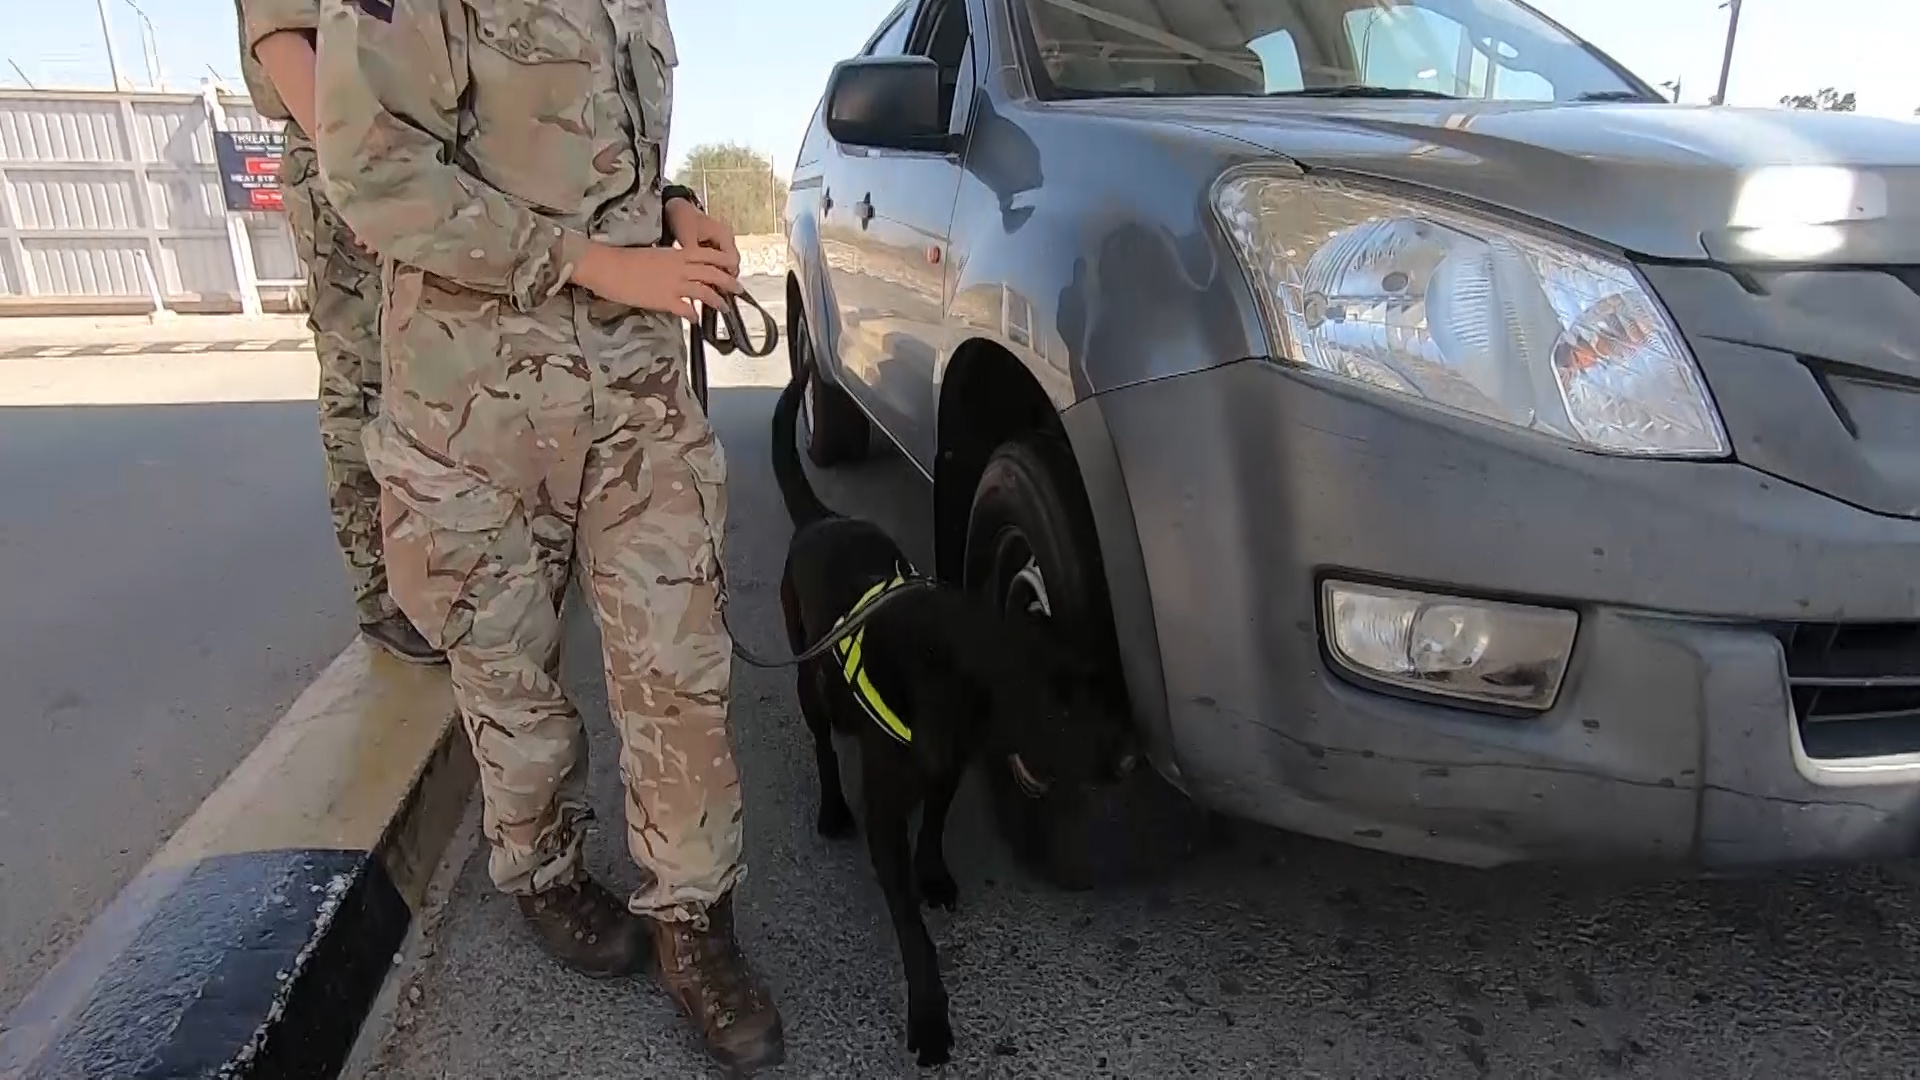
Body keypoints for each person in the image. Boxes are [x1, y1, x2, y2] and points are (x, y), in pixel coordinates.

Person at [313, 0, 781, 1071]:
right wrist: (593, 263)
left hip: (635, 387)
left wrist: (672, 208)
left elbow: (582, 151)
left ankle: (694, 917)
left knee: (677, 655)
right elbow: (374, 168)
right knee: (507, 666)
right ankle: (544, 870)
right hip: (476, 397)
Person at [232, 0, 443, 664]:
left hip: (420, 165)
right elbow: (284, 44)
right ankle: (385, 598)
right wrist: (360, 181)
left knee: (435, 375)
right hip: (344, 158)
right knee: (365, 382)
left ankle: (436, 574)